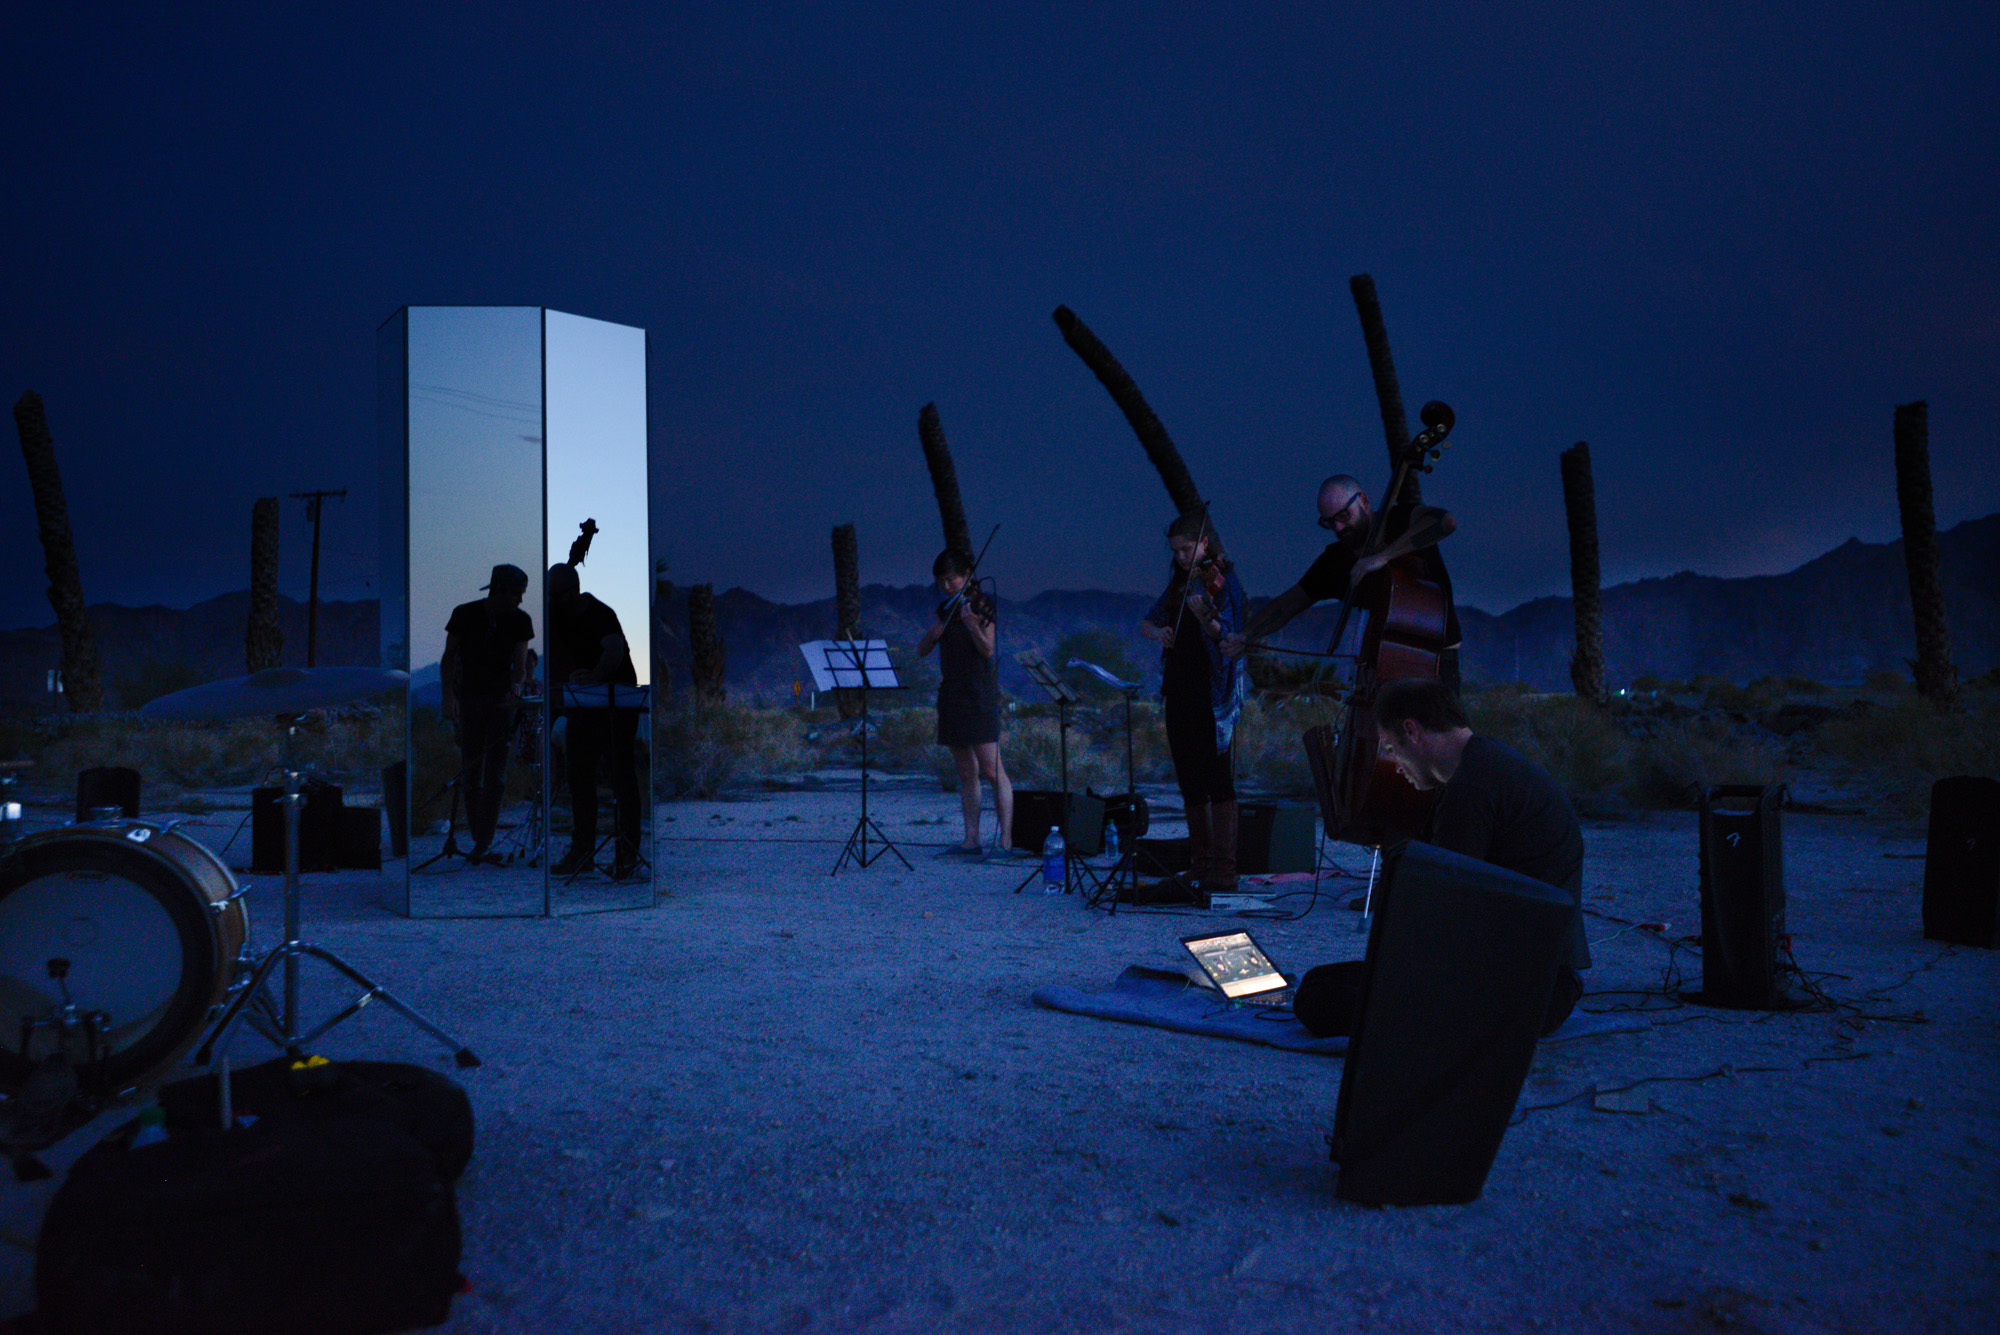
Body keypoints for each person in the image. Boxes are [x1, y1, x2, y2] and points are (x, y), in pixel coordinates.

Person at [1292, 677, 1591, 1038]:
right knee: (1320, 981)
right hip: (1537, 977)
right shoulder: (1486, 764)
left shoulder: (1471, 792)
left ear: (1412, 731)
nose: (1395, 765)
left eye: (1389, 747)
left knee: (1319, 1002)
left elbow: (1442, 911)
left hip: (1525, 990)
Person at [1223, 474, 1460, 693]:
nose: (1338, 528)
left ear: (1364, 501)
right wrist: (1246, 634)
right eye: (1329, 522)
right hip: (1379, 672)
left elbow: (1445, 522)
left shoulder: (1401, 521)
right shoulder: (1335, 560)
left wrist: (1384, 556)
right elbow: (1286, 605)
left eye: (1344, 516)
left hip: (1435, 662)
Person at [1139, 512, 1249, 897]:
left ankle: (1225, 871)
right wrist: (1159, 632)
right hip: (1179, 688)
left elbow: (1230, 636)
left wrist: (1209, 620)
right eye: (1177, 551)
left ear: (1204, 544)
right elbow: (1147, 622)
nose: (1183, 557)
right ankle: (1200, 865)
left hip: (1211, 692)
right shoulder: (1177, 583)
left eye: (1188, 548)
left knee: (1217, 779)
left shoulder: (1224, 581)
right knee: (1189, 780)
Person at [916, 548, 1017, 857]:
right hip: (951, 694)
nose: (947, 586)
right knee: (965, 772)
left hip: (978, 693)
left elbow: (987, 651)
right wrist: (933, 636)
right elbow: (921, 650)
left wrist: (972, 624)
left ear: (966, 577)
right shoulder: (944, 610)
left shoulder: (981, 606)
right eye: (941, 581)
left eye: (952, 579)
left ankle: (1006, 841)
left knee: (991, 769)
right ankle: (971, 839)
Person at [547, 562, 643, 879]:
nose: (552, 601)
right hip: (584, 706)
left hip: (615, 704)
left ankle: (627, 852)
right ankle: (582, 850)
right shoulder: (558, 617)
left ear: (572, 591)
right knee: (579, 777)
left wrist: (593, 677)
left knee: (622, 778)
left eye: (556, 595)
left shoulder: (600, 612)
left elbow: (613, 650)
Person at [440, 563, 534, 864]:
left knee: (496, 773)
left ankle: (483, 840)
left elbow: (520, 665)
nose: (520, 599)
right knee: (471, 769)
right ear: (502, 590)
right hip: (469, 699)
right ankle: (480, 837)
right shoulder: (464, 614)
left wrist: (516, 689)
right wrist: (448, 695)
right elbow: (449, 657)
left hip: (501, 702)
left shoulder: (521, 621)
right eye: (517, 593)